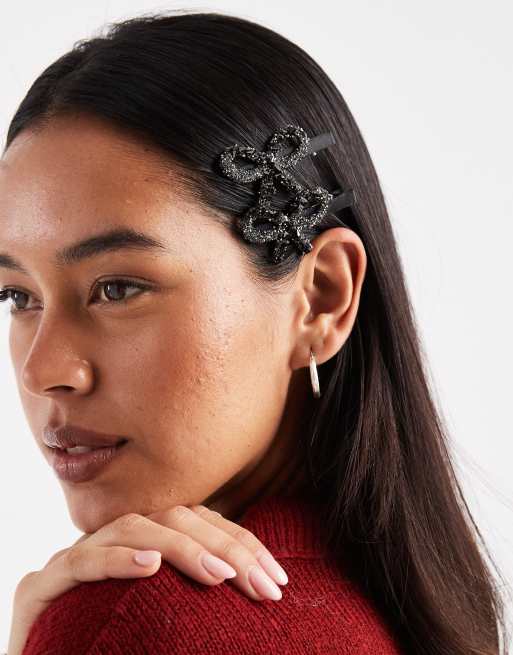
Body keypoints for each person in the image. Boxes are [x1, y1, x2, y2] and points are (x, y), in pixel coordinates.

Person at [1, 10, 508, 655]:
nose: (43, 371)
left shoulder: (133, 619)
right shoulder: (396, 603)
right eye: (17, 296)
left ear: (321, 298)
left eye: (119, 288)